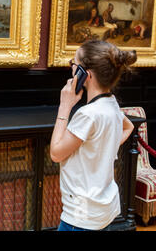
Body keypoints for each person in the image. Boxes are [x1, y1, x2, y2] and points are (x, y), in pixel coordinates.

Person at [50, 40, 137, 231]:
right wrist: (104, 150)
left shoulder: (87, 115)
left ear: (85, 75)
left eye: (74, 64)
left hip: (81, 216)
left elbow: (56, 153)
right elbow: (128, 127)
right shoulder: (112, 105)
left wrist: (65, 105)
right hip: (104, 208)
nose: (71, 68)